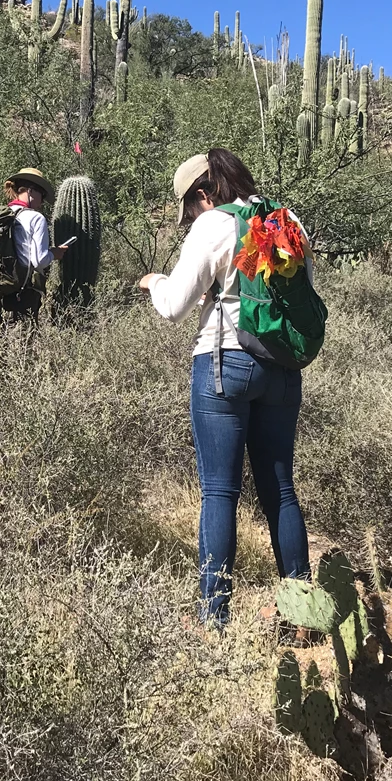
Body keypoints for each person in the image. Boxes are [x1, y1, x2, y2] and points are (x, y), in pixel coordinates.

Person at [138, 148, 311, 628]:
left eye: (188, 208)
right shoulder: (285, 218)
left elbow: (173, 305)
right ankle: (303, 612)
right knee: (280, 489)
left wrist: (154, 282)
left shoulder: (213, 225)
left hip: (223, 365)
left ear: (203, 194)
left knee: (219, 492)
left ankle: (215, 620)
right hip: (281, 369)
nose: (189, 218)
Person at [0, 169, 70, 325]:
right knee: (21, 343)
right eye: (42, 195)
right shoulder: (36, 218)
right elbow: (39, 261)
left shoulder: (1, 215)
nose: (42, 201)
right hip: (21, 294)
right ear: (30, 191)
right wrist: (54, 254)